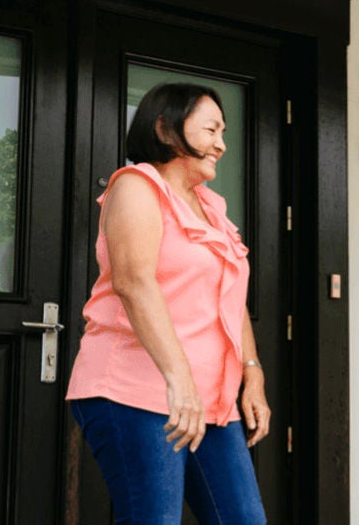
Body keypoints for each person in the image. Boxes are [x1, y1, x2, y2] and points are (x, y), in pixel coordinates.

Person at [66, 83, 269, 524]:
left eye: (223, 131)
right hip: (135, 390)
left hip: (208, 401)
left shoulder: (213, 208)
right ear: (165, 128)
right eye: (211, 129)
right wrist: (180, 381)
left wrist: (252, 374)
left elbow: (229, 297)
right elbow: (134, 283)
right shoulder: (136, 186)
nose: (222, 143)